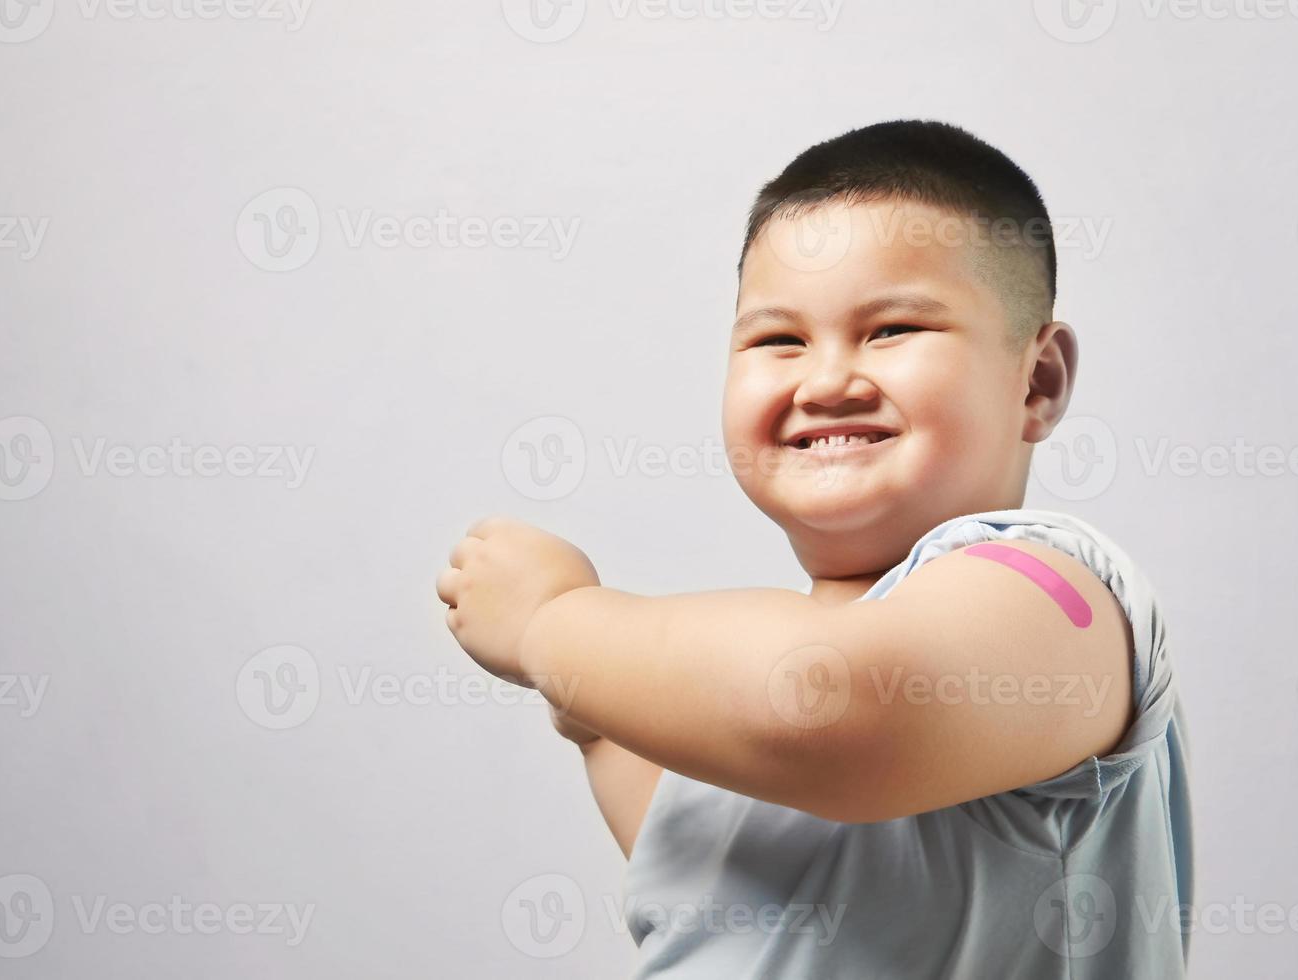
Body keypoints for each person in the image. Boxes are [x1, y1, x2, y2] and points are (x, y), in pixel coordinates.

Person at [436, 119, 1193, 978]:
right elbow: (716, 883)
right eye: (778, 340)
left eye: (892, 329)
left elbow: (829, 706)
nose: (826, 380)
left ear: (1037, 380)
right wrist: (596, 721)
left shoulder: (1052, 594)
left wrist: (553, 623)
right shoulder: (769, 678)